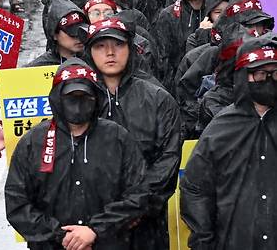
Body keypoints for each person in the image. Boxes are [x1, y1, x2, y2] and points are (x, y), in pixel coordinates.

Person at [5, 58, 148, 250]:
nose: (78, 104)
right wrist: (61, 236)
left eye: (85, 96)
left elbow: (138, 195)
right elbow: (17, 202)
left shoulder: (117, 137)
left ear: (96, 97)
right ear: (57, 98)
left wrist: (96, 230)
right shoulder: (33, 142)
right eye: (71, 97)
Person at [84, 17, 181, 249]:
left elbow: (166, 164)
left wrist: (132, 208)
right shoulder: (78, 97)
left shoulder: (158, 98)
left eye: (117, 44)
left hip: (146, 226)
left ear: (130, 47)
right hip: (91, 224)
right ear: (89, 51)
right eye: (100, 46)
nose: (110, 53)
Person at [181, 32, 277, 249]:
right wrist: (204, 239)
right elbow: (195, 188)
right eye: (260, 74)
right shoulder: (221, 129)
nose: (268, 80)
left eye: (275, 73)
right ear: (243, 76)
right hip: (234, 240)